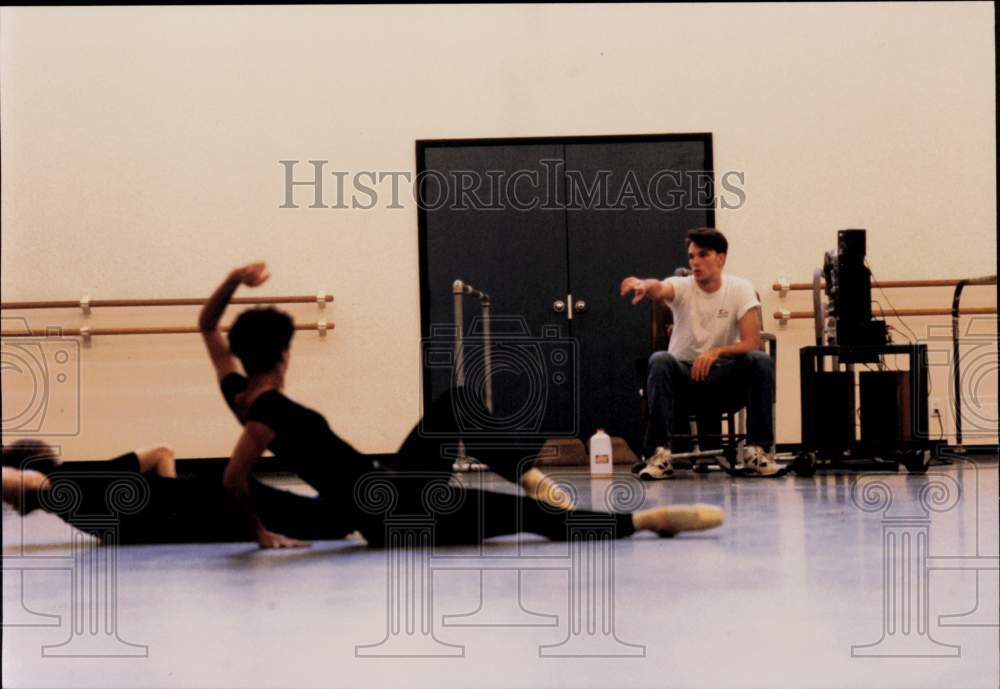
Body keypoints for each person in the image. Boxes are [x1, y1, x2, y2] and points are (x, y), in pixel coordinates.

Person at [200, 262, 725, 548]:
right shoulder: (265, 416)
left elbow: (206, 326)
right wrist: (263, 537)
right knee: (530, 519)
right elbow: (231, 479)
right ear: (285, 353)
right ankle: (646, 522)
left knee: (453, 404)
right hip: (396, 514)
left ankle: (529, 474)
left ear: (246, 354)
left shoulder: (237, 393)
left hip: (390, 481)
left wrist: (232, 282)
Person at [620, 227, 782, 479]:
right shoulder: (682, 286)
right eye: (691, 256)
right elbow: (660, 288)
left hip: (724, 381)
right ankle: (658, 455)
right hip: (684, 382)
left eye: (702, 255)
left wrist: (716, 351)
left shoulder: (740, 288)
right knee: (659, 360)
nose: (695, 262)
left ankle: (758, 452)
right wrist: (645, 284)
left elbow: (751, 342)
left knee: (760, 360)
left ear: (721, 258)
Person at [2, 439, 349, 544]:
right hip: (205, 502)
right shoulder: (76, 483)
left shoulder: (61, 490)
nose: (8, 504)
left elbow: (28, 483)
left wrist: (258, 531)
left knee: (337, 522)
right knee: (332, 518)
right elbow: (161, 455)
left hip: (218, 502)